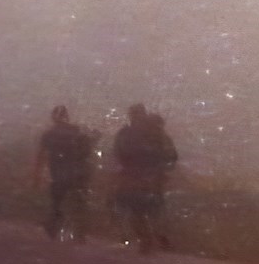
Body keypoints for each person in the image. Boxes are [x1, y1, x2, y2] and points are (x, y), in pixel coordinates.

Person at [112, 104, 179, 253]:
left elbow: (117, 154)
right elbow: (172, 156)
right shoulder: (157, 133)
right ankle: (159, 238)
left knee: (137, 211)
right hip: (153, 178)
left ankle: (147, 241)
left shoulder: (125, 133)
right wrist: (163, 170)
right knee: (154, 210)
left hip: (133, 177)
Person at [30, 105, 96, 241]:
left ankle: (53, 228)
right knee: (79, 203)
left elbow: (41, 156)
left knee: (57, 203)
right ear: (67, 116)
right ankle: (80, 233)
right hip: (77, 172)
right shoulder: (76, 131)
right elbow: (87, 150)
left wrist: (37, 175)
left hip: (59, 173)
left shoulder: (49, 134)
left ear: (53, 117)